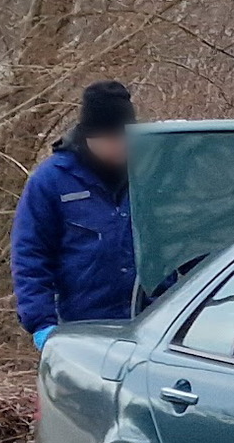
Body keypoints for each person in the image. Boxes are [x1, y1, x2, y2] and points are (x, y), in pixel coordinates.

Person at [11, 81, 138, 349]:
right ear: (89, 135)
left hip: (151, 322)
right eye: (111, 139)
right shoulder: (51, 181)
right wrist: (41, 323)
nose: (119, 146)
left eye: (125, 138)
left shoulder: (149, 173)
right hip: (84, 327)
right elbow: (30, 255)